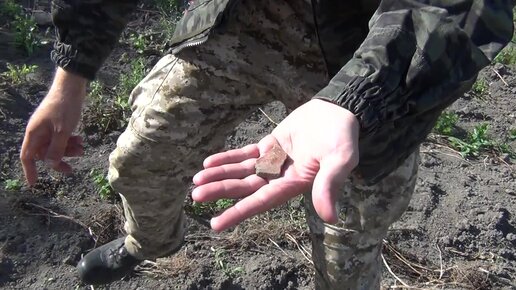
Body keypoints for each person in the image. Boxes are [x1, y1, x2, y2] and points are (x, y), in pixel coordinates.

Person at [20, 0, 513, 288]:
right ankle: (145, 243)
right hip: (235, 27)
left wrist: (357, 97)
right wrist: (71, 74)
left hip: (364, 53)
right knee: (139, 159)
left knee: (348, 228)